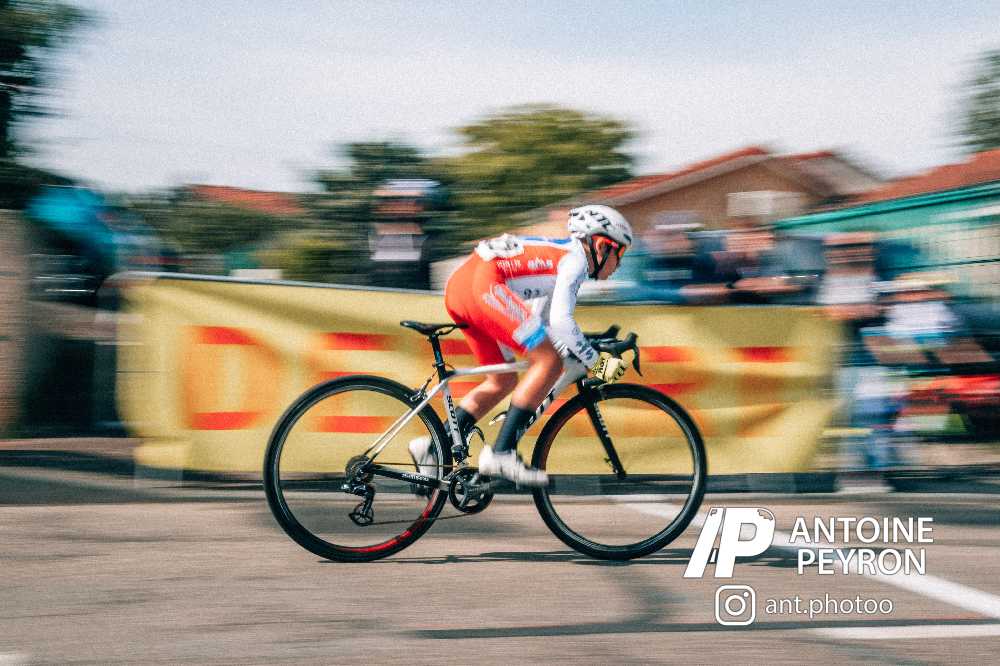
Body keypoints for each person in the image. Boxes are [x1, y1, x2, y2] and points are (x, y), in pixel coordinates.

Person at [409, 205, 634, 487]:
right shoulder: (575, 261)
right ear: (601, 246)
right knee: (549, 363)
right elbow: (562, 322)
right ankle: (501, 453)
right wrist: (598, 364)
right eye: (620, 253)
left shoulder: (561, 255)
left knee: (502, 381)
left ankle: (434, 447)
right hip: (484, 284)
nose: (619, 264)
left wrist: (581, 346)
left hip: (462, 286)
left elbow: (544, 322)